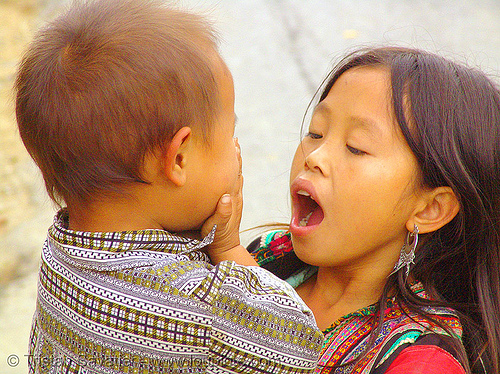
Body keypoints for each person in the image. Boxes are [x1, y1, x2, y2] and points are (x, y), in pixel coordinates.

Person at [15, 1, 324, 372]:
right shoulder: (202, 307)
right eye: (230, 134)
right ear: (179, 158)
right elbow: (299, 343)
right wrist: (227, 248)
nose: (237, 148)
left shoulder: (58, 254)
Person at [210, 47, 500, 374]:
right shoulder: (271, 256)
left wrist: (228, 251)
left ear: (430, 208)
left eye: (355, 147)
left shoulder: (422, 361)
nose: (315, 156)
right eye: (315, 133)